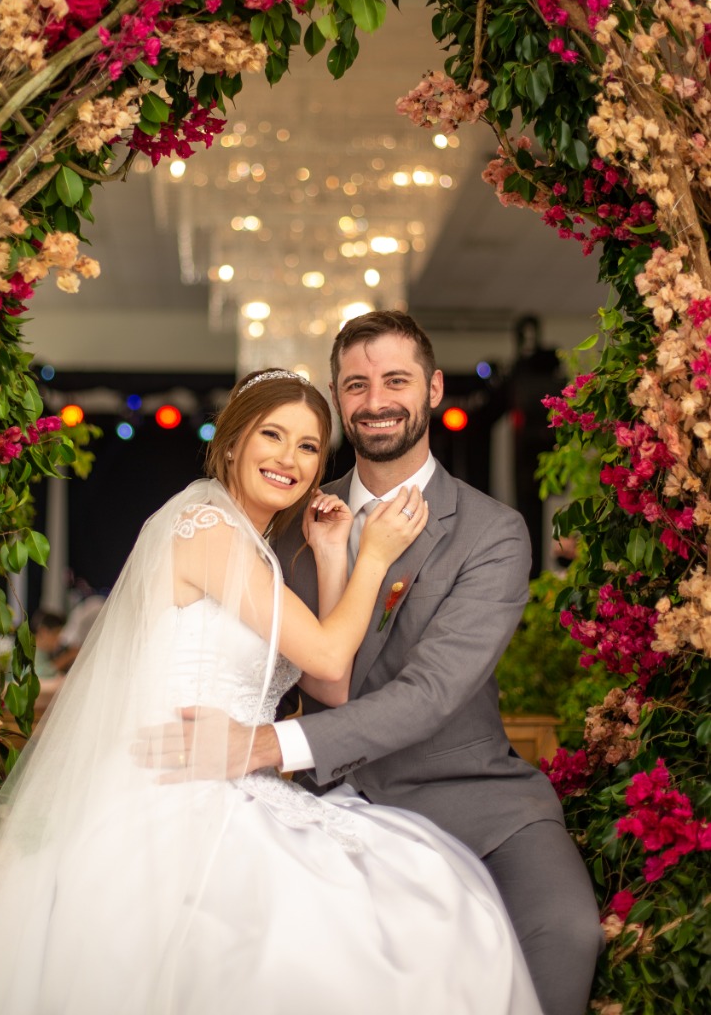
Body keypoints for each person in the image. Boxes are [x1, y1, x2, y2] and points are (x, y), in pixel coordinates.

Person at [0, 368, 542, 1015]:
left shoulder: (258, 548)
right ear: (232, 442)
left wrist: (330, 553)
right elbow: (326, 650)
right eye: (272, 435)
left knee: (423, 892)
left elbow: (331, 683)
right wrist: (373, 554)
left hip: (236, 775)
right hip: (174, 790)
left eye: (309, 446)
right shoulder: (205, 529)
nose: (289, 458)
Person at [159, 316, 603, 1015]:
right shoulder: (285, 515)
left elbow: (431, 692)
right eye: (356, 385)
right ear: (338, 398)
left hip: (470, 800)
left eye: (395, 380)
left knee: (565, 934)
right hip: (318, 803)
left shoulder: (492, 532)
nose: (375, 400)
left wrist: (269, 744)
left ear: (431, 389)